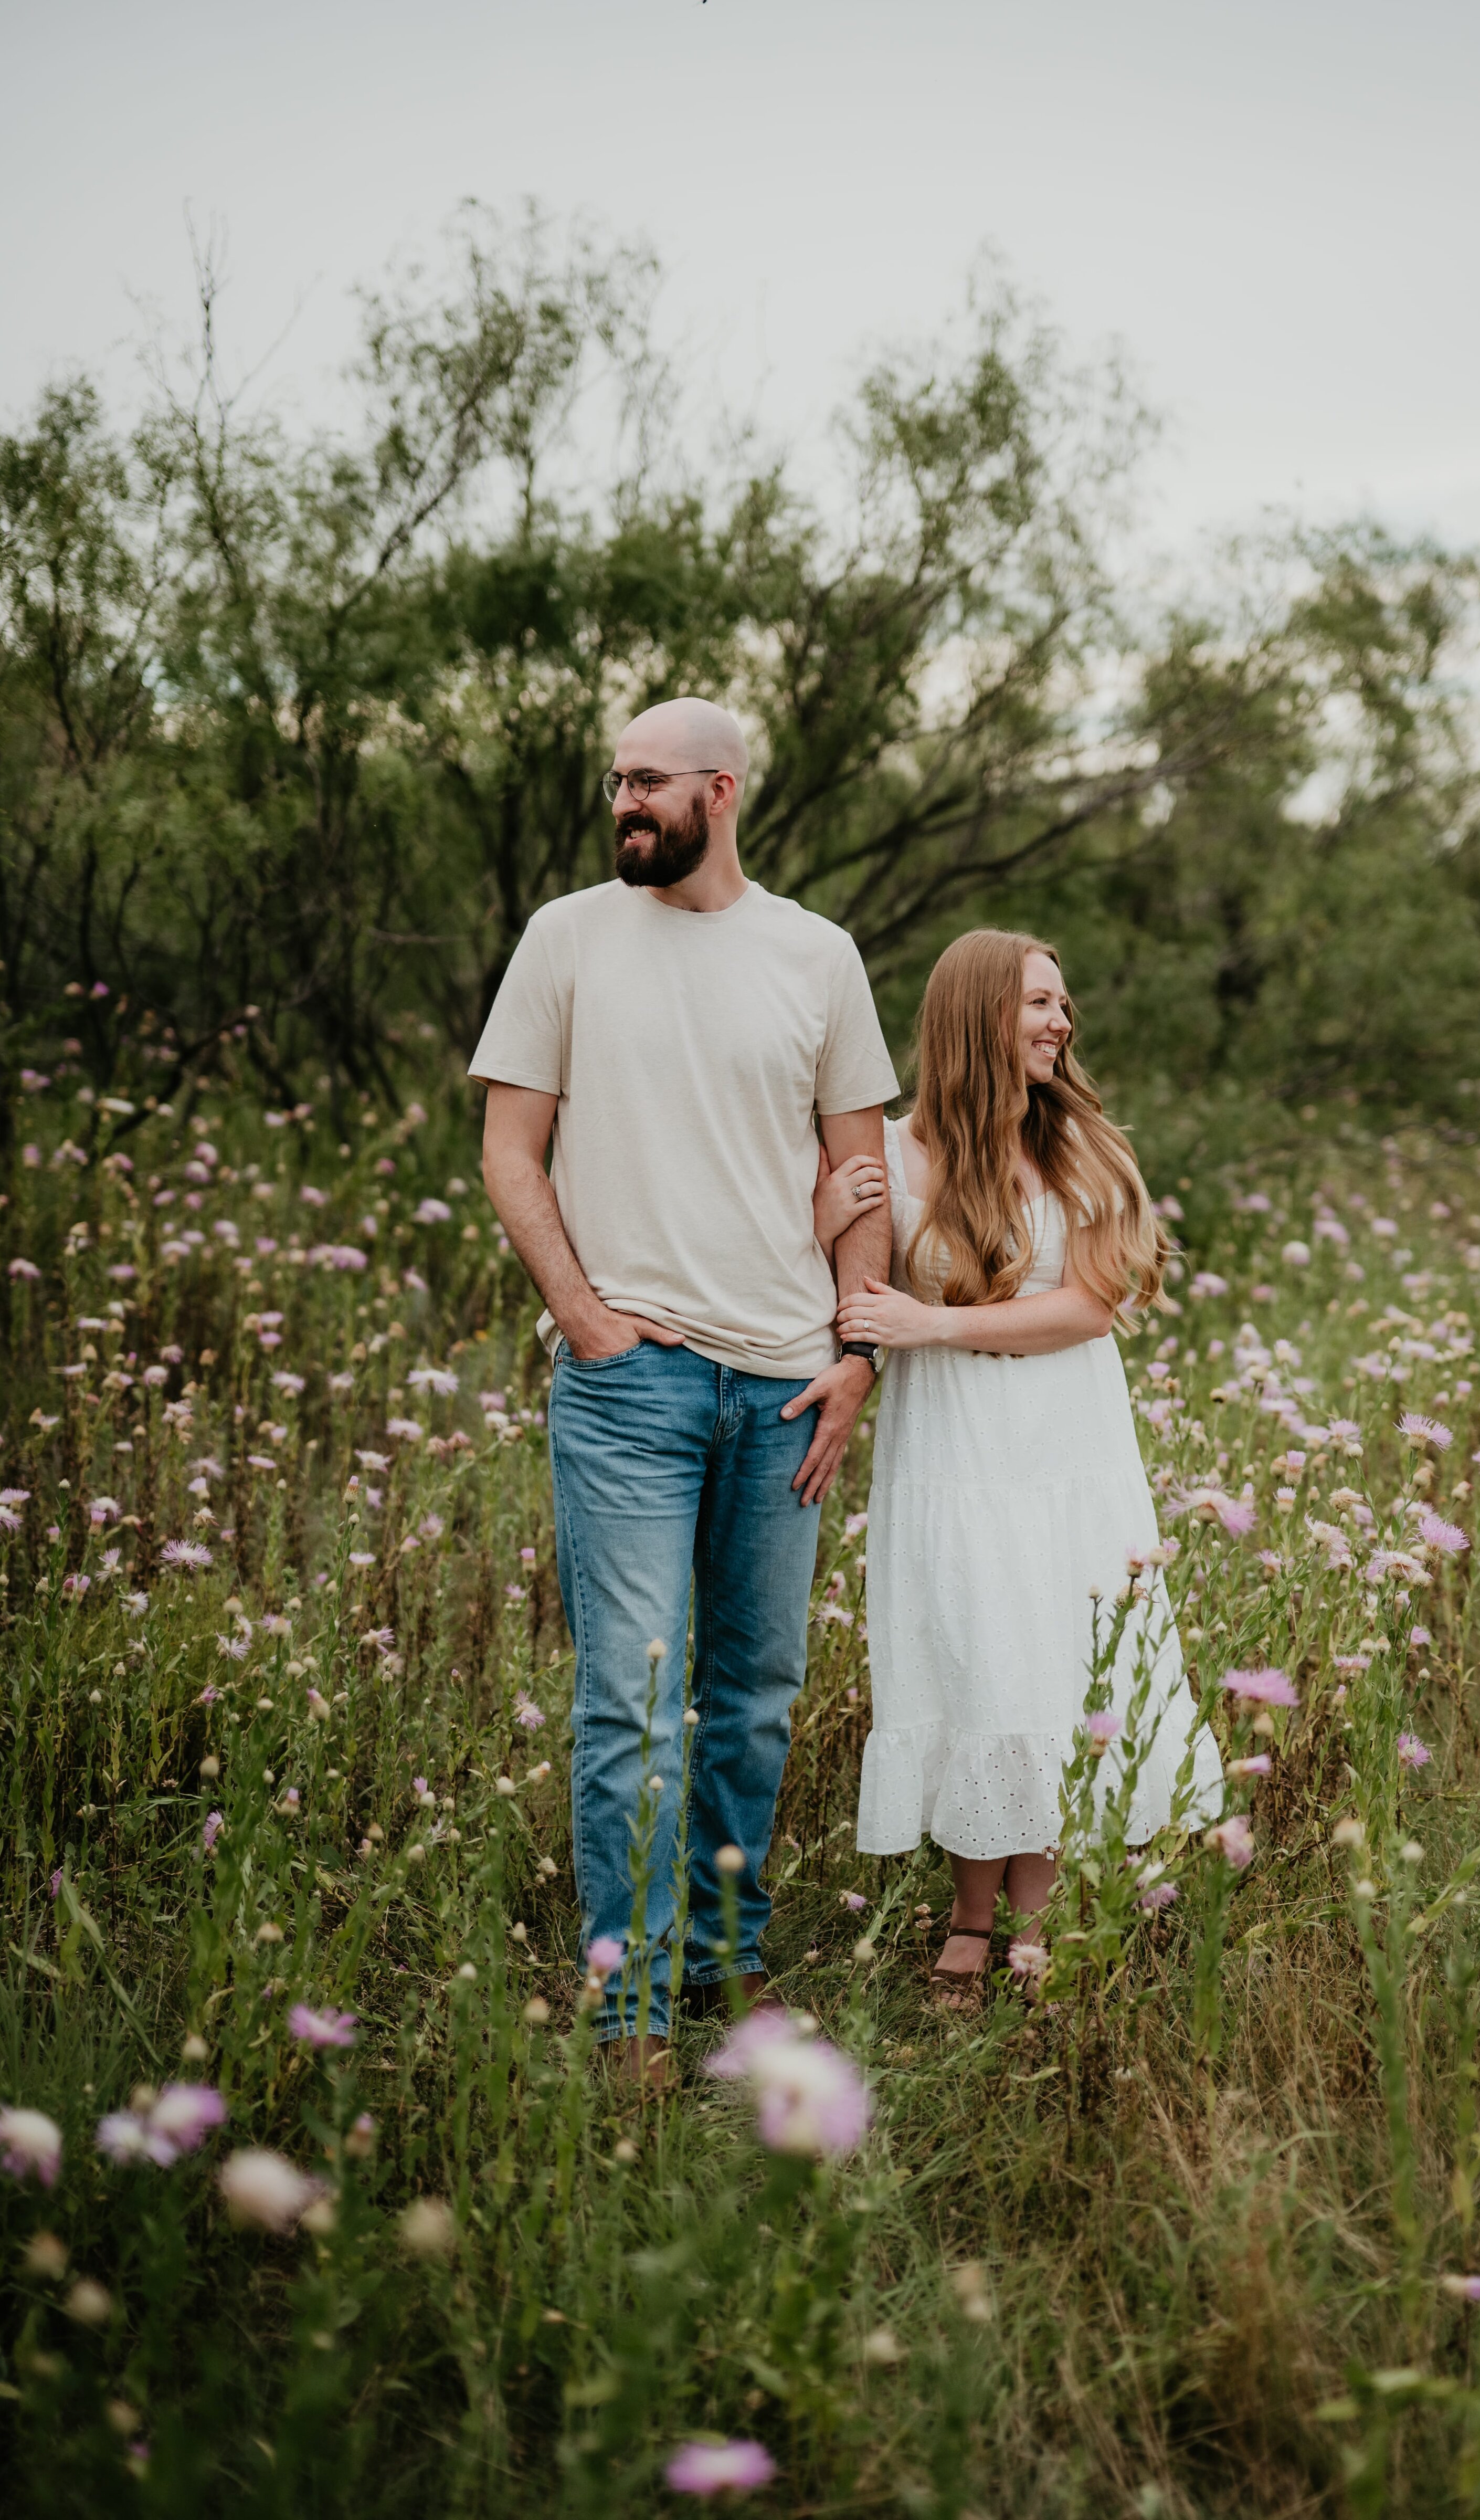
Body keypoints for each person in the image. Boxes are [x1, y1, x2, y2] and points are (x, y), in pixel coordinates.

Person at [471, 698, 898, 2073]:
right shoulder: (567, 938)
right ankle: (634, 2005)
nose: (623, 803)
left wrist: (856, 1356)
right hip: (630, 1389)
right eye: (615, 781)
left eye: (648, 781)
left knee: (757, 1695)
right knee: (633, 1706)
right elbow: (510, 1152)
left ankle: (723, 1953)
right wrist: (584, 1318)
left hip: (784, 1387)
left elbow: (861, 1174)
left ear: (721, 790)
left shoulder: (817, 955)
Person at [838, 929, 1223, 2001]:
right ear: (974, 1017)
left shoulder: (1081, 1147)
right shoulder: (891, 1153)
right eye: (1037, 1003)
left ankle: (1034, 1915)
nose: (1060, 1021)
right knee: (973, 1658)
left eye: (1062, 1003)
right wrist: (822, 1221)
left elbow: (1089, 1309)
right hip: (948, 1453)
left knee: (1055, 1661)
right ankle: (972, 1910)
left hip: (1066, 1452)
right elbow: (837, 1286)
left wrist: (933, 1325)